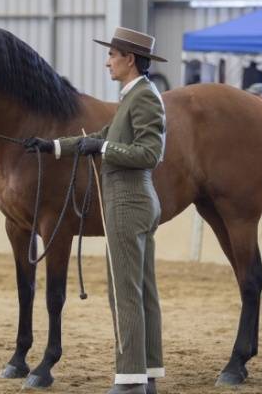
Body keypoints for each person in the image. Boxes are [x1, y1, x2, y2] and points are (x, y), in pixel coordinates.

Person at [24, 27, 167, 394]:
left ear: (130, 59)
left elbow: (150, 154)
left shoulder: (145, 98)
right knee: (142, 291)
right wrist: (52, 146)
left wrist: (102, 151)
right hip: (133, 201)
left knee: (125, 292)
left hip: (128, 200)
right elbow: (101, 137)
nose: (107, 62)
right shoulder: (134, 96)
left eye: (112, 55)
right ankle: (147, 374)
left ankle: (130, 379)